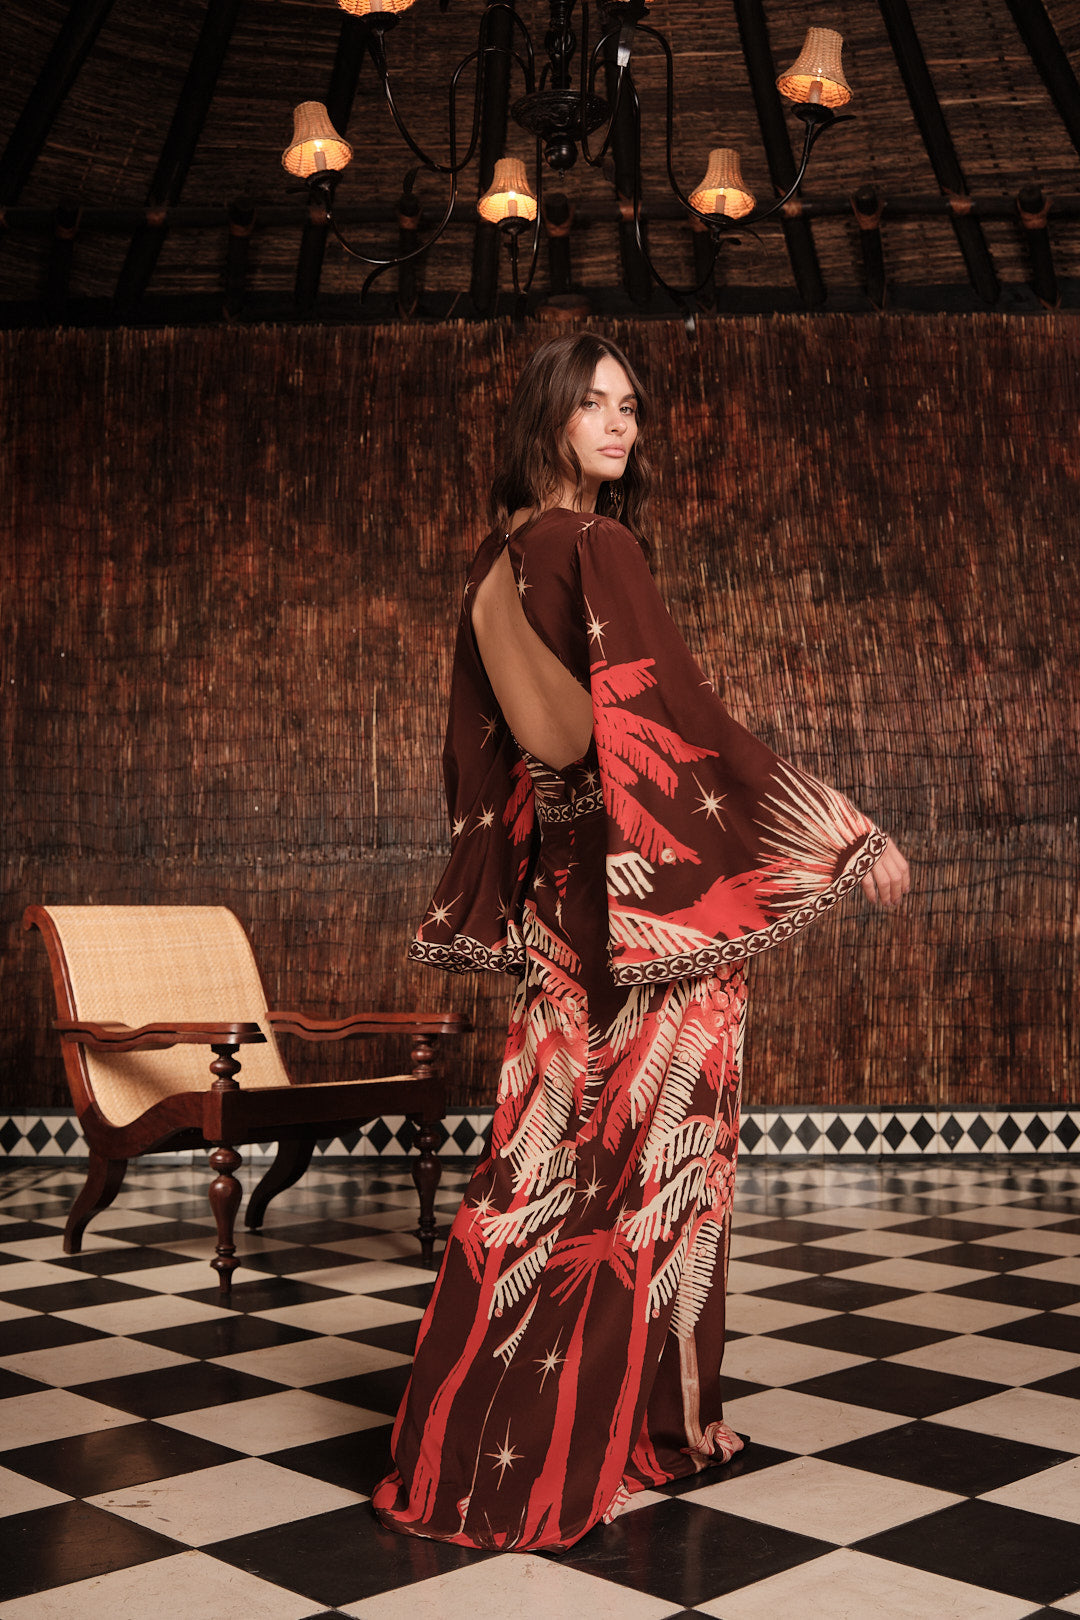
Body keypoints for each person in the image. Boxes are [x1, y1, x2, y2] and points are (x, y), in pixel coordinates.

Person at [372, 333, 910, 1553]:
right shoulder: (597, 545)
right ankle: (644, 1436)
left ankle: (465, 1442)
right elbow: (673, 715)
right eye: (594, 405)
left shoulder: (489, 568)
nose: (621, 425)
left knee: (539, 1168)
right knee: (668, 1167)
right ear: (549, 417)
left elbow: (511, 761)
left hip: (565, 906)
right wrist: (843, 829)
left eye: (631, 406)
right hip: (641, 911)